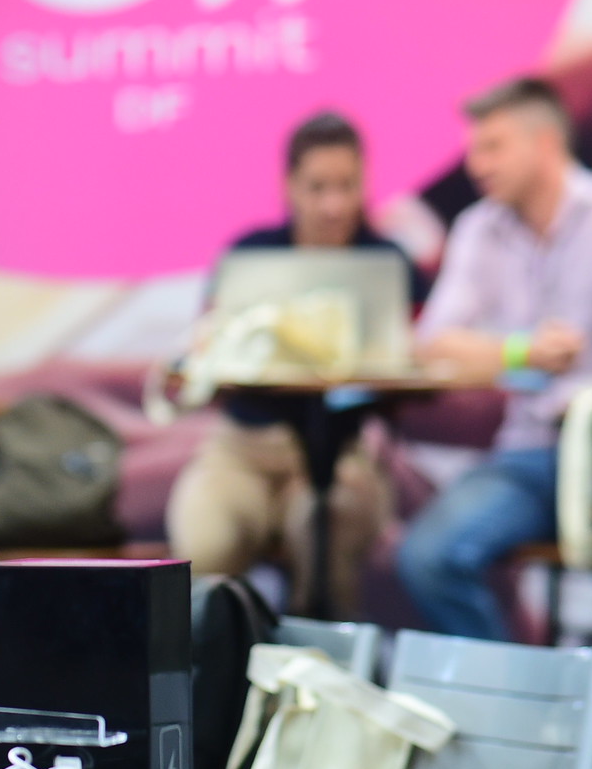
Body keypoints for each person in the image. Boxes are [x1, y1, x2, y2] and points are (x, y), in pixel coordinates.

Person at [398, 76, 592, 748]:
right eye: (475, 148)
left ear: (545, 142)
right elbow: (432, 346)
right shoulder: (479, 227)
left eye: (493, 146)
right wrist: (520, 350)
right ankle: (524, 728)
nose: (477, 164)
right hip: (529, 452)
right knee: (428, 556)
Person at [167, 110, 427, 617]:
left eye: (347, 186)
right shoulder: (248, 256)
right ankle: (218, 657)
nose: (334, 204)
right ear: (289, 186)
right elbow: (205, 348)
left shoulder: (391, 264)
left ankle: (313, 659)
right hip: (243, 449)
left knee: (327, 533)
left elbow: (422, 366)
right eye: (318, 187)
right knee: (204, 541)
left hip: (344, 451)